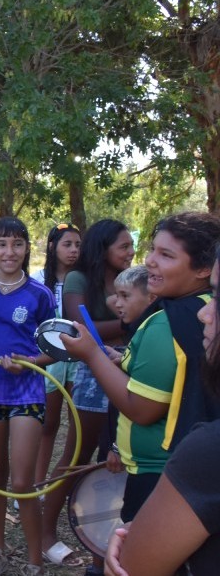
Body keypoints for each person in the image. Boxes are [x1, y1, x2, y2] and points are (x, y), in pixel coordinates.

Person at [61, 211, 220, 521]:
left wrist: (92, 355)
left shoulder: (165, 323)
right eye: (152, 250)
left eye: (166, 255)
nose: (149, 261)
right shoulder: (204, 308)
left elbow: (142, 409)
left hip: (158, 473)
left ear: (203, 268)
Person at [104, 245, 220, 576]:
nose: (205, 313)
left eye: (218, 297)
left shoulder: (208, 454)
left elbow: (134, 566)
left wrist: (90, 354)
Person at [0, 217, 56, 576]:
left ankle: (35, 562)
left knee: (22, 481)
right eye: (1, 244)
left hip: (27, 393)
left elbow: (57, 345)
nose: (9, 252)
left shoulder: (39, 294)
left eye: (17, 244)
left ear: (27, 248)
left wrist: (31, 361)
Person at [40, 219, 135, 572]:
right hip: (94, 375)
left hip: (129, 369)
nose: (130, 252)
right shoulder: (80, 279)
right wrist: (128, 323)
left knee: (115, 455)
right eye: (123, 246)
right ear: (104, 248)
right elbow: (82, 331)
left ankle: (105, 533)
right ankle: (47, 532)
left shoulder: (130, 278)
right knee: (77, 453)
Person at [30, 223, 82, 487]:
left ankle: (66, 486)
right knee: (48, 424)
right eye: (67, 244)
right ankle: (36, 484)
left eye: (77, 245)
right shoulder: (38, 281)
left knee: (78, 424)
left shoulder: (83, 281)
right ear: (52, 247)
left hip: (79, 359)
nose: (73, 250)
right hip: (48, 361)